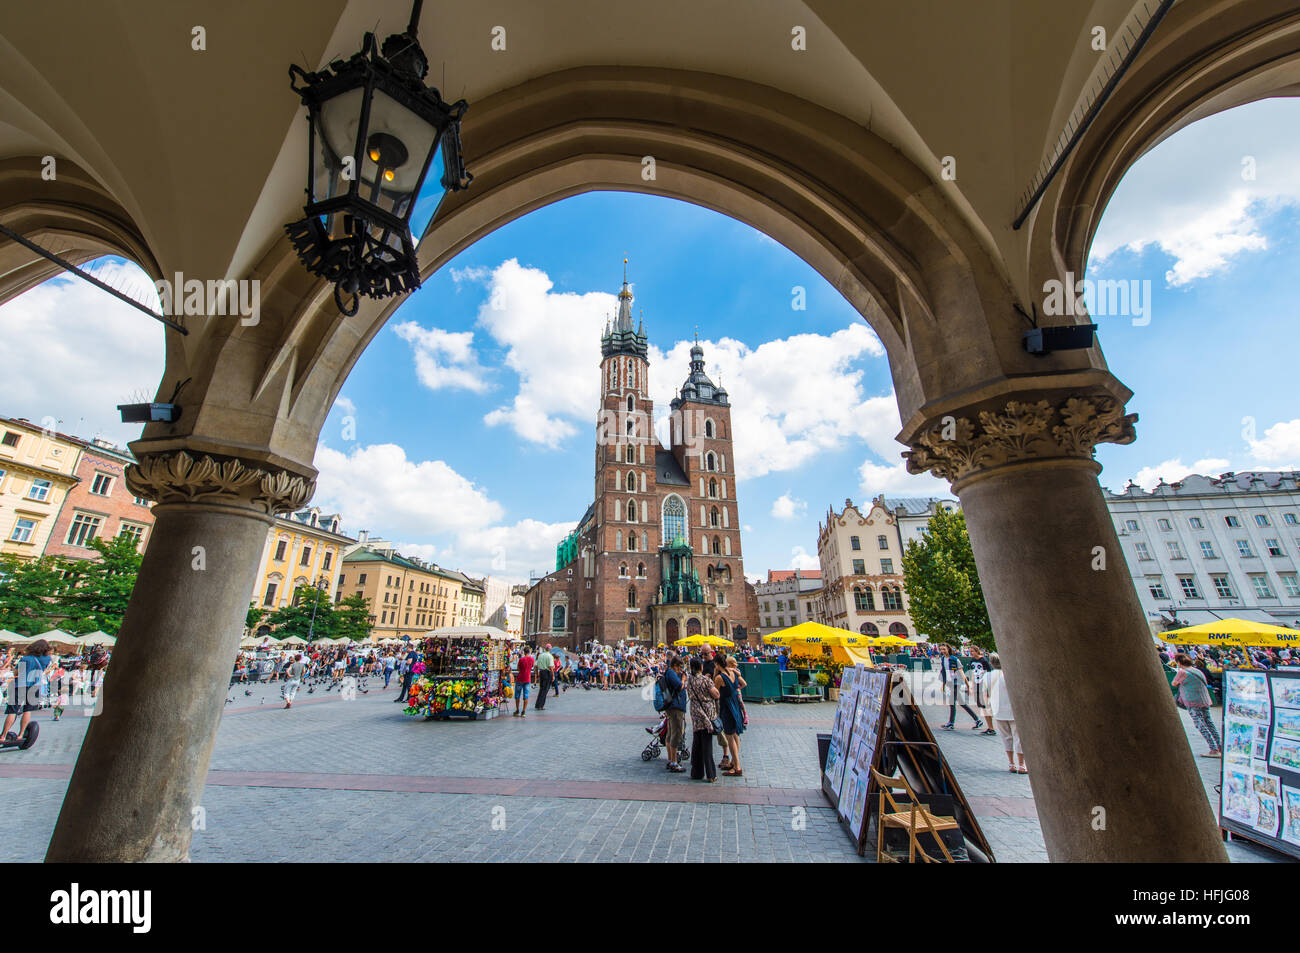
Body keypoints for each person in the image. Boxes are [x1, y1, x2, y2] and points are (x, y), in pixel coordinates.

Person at [1173, 653, 1221, 757]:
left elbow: (1174, 683)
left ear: (1179, 662)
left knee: (1200, 724)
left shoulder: (1182, 672)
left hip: (1192, 701)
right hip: (1204, 700)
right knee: (1209, 723)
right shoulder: (1197, 670)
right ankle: (1220, 746)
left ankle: (1213, 749)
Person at [3, 640, 51, 742]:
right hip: (35, 686)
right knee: (27, 710)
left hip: (20, 685)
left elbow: (17, 672)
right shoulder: (47, 659)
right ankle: (21, 735)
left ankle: (3, 736)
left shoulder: (26, 659)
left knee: (13, 711)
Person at [986, 653, 1026, 774]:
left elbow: (985, 695)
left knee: (1006, 738)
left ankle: (1011, 763)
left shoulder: (987, 676)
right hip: (1013, 711)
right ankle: (1021, 765)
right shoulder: (1009, 675)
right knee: (1018, 738)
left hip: (998, 711)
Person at [686, 657, 720, 782]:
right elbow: (716, 694)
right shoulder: (706, 680)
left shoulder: (690, 680)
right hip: (706, 714)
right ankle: (711, 774)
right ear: (701, 667)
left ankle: (696, 772)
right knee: (707, 745)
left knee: (697, 744)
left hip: (695, 714)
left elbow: (689, 694)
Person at [714, 654, 747, 777]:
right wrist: (734, 690)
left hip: (727, 707)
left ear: (717, 664)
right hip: (735, 705)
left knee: (729, 736)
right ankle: (734, 762)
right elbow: (744, 684)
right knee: (735, 735)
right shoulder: (734, 673)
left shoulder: (719, 677)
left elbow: (715, 692)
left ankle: (737, 767)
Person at [937, 643, 982, 731]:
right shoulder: (943, 659)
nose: (942, 651)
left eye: (944, 649)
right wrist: (943, 684)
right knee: (961, 703)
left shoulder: (954, 659)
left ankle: (951, 723)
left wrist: (967, 685)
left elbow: (961, 672)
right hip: (950, 682)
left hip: (956, 682)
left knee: (951, 702)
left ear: (948, 649)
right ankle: (977, 720)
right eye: (941, 649)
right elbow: (943, 672)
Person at [661, 656, 688, 773]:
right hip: (675, 707)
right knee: (676, 734)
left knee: (671, 733)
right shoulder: (671, 673)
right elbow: (679, 686)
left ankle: (671, 759)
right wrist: (683, 679)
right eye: (680, 667)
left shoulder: (669, 672)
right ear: (675, 665)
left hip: (672, 706)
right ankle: (674, 762)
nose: (680, 670)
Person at [966, 645, 998, 736]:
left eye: (972, 651)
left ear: (977, 651)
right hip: (976, 684)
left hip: (983, 685)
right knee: (981, 705)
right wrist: (971, 686)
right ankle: (989, 727)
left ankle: (991, 728)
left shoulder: (983, 660)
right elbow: (972, 673)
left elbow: (989, 674)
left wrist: (988, 689)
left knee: (985, 706)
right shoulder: (972, 661)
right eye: (970, 651)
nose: (971, 653)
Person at [514, 646, 535, 717]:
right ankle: (523, 711)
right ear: (529, 652)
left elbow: (518, 668)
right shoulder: (532, 659)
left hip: (520, 679)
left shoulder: (521, 659)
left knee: (517, 695)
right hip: (527, 679)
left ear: (524, 652)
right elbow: (532, 667)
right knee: (526, 696)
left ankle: (517, 710)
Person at [534, 644, 555, 710]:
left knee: (541, 689)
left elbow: (536, 665)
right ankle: (541, 705)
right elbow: (551, 667)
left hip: (541, 672)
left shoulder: (540, 655)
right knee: (545, 690)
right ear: (550, 649)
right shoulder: (550, 656)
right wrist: (553, 676)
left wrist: (537, 674)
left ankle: (537, 704)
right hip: (547, 673)